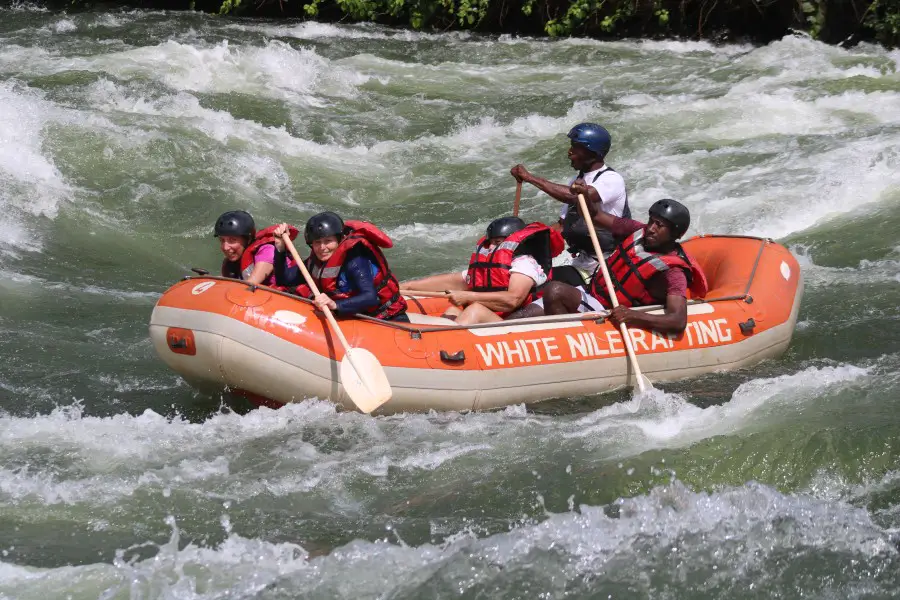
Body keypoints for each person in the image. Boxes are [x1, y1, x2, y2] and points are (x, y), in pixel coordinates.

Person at [522, 198, 708, 334]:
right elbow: (595, 215)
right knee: (525, 314)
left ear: (675, 233)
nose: (651, 228)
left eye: (659, 225)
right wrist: (584, 194)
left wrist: (633, 316)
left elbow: (677, 320)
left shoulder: (673, 272)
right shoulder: (638, 231)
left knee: (555, 291)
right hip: (592, 293)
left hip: (609, 310)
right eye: (651, 221)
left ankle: (565, 345)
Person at [510, 122, 630, 288]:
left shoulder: (611, 179)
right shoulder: (575, 181)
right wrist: (522, 241)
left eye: (575, 147)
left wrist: (530, 178)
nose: (569, 152)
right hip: (580, 258)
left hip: (604, 263)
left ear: (592, 151)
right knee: (522, 272)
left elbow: (577, 197)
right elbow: (561, 226)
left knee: (537, 284)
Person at [402, 216, 564, 326]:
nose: (492, 247)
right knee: (452, 310)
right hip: (494, 321)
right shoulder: (490, 267)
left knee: (475, 310)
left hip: (516, 326)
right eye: (491, 242)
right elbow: (449, 281)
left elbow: (512, 299)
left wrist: (467, 296)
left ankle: (441, 348)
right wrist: (405, 287)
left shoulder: (525, 264)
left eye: (498, 242)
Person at [272, 212, 409, 322]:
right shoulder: (315, 261)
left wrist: (335, 305)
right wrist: (280, 247)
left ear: (339, 240)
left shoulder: (355, 259)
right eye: (317, 242)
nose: (322, 248)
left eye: (328, 241)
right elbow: (284, 279)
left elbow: (370, 297)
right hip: (356, 317)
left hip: (387, 318)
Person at [214, 210, 297, 287]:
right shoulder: (232, 262)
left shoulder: (267, 251)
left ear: (248, 239)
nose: (225, 247)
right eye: (222, 240)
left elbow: (249, 285)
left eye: (232, 240)